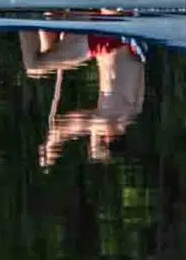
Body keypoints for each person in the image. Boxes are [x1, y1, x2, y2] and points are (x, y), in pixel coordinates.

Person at [20, 28, 145, 165]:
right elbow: (61, 127)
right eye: (93, 142)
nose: (91, 138)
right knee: (34, 67)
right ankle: (22, 19)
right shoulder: (107, 124)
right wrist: (51, 146)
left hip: (123, 42)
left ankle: (50, 16)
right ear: (106, 139)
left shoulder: (133, 111)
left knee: (49, 50)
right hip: (105, 42)